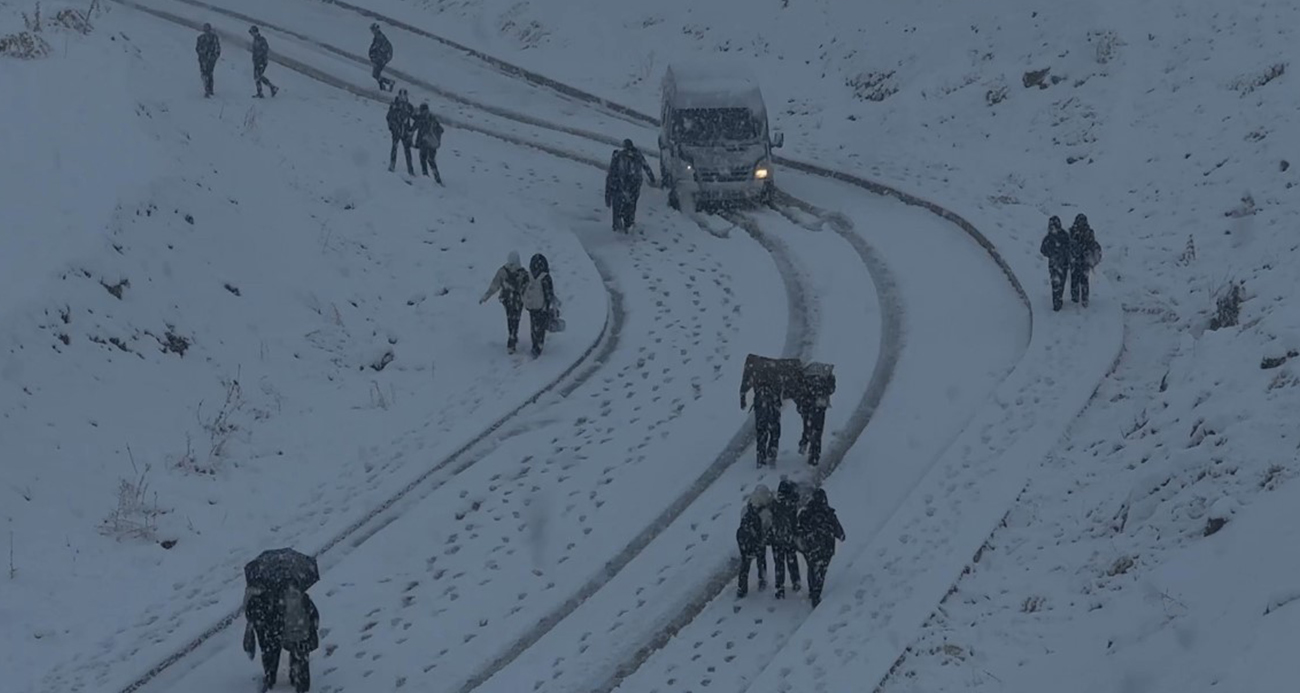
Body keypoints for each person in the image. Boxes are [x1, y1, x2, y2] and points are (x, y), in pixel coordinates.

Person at [243, 581, 320, 692]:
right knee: (300, 659)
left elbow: (273, 617)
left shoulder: (270, 598)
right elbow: (314, 615)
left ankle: (271, 677)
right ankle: (299, 682)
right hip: (303, 635)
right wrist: (313, 627)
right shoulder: (304, 598)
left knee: (270, 652)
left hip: (280, 632)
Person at [797, 488, 845, 608]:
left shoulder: (806, 513)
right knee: (821, 571)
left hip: (810, 547)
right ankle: (816, 594)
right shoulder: (828, 513)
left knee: (812, 567)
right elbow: (840, 533)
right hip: (826, 547)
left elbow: (799, 528)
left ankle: (812, 590)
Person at [479, 251, 531, 353]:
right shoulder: (523, 272)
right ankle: (513, 336)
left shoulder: (503, 271)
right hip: (518, 300)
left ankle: (512, 337)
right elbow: (530, 288)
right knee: (516, 318)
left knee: (510, 318)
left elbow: (495, 286)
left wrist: (486, 296)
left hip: (507, 300)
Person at [604, 139, 656, 232]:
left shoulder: (619, 157)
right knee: (630, 205)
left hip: (622, 186)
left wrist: (608, 195)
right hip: (633, 185)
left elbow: (611, 176)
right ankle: (628, 223)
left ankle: (620, 225)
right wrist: (651, 177)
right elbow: (645, 166)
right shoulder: (637, 155)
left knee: (620, 206)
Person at [735, 484, 773, 598]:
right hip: (757, 541)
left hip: (744, 541)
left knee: (745, 563)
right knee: (761, 560)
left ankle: (742, 588)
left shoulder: (746, 508)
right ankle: (762, 581)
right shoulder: (765, 512)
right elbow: (767, 526)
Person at [794, 363, 835, 466]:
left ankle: (805, 441)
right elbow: (831, 389)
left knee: (807, 426)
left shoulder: (806, 376)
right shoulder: (827, 376)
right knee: (818, 430)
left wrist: (800, 404)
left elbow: (799, 391)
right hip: (820, 406)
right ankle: (814, 455)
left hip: (808, 405)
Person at [769, 479, 802, 598]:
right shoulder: (790, 505)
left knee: (779, 564)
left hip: (776, 538)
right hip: (788, 538)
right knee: (792, 561)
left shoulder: (773, 504)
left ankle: (779, 587)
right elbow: (794, 523)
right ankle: (796, 582)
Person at [523, 253, 556, 358]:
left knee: (533, 325)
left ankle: (534, 344)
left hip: (532, 306)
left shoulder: (529, 276)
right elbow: (549, 293)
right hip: (542, 307)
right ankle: (538, 346)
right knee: (541, 327)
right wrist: (549, 304)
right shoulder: (546, 277)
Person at [1068, 213, 1102, 307]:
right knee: (1084, 280)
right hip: (1084, 260)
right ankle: (1084, 300)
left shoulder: (1073, 231)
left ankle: (1075, 299)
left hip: (1077, 259)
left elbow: (1069, 245)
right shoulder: (1088, 232)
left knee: (1076, 279)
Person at [1039, 215, 1071, 311]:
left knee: (1060, 283)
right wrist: (1053, 252)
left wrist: (1059, 252)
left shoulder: (1062, 236)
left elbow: (1069, 248)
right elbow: (1043, 250)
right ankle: (1057, 302)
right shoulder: (1050, 238)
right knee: (1056, 283)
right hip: (1056, 264)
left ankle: (1058, 299)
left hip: (1061, 263)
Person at [411, 103, 444, 185]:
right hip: (433, 144)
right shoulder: (432, 118)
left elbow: (414, 127)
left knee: (423, 159)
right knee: (431, 160)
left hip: (424, 143)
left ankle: (425, 176)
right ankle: (437, 179)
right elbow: (441, 130)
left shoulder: (421, 119)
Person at [386, 89, 415, 175]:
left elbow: (415, 117)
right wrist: (392, 126)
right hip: (396, 130)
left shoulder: (409, 107)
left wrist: (411, 129)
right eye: (401, 95)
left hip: (405, 131)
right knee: (394, 148)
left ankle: (410, 169)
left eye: (404, 96)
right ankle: (392, 165)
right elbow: (388, 117)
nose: (402, 98)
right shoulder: (394, 105)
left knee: (407, 150)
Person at [248, 26, 278, 98]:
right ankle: (260, 92)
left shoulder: (261, 40)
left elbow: (265, 50)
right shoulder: (255, 40)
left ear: (255, 32)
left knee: (259, 76)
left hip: (261, 62)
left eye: (252, 32)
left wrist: (260, 58)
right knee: (256, 77)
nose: (251, 34)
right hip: (256, 61)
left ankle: (272, 87)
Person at [196, 23, 221, 98]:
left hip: (211, 59)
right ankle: (207, 89)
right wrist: (201, 54)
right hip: (203, 59)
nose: (206, 30)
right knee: (204, 74)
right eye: (205, 28)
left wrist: (214, 56)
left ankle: (209, 89)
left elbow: (218, 49)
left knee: (209, 73)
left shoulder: (214, 38)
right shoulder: (200, 38)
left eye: (207, 28)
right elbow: (197, 48)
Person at [368, 23, 395, 92]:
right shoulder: (378, 37)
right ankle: (383, 86)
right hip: (381, 58)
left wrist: (374, 57)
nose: (372, 32)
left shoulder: (379, 38)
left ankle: (388, 83)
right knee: (376, 74)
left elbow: (376, 48)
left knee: (375, 74)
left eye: (373, 30)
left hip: (381, 58)